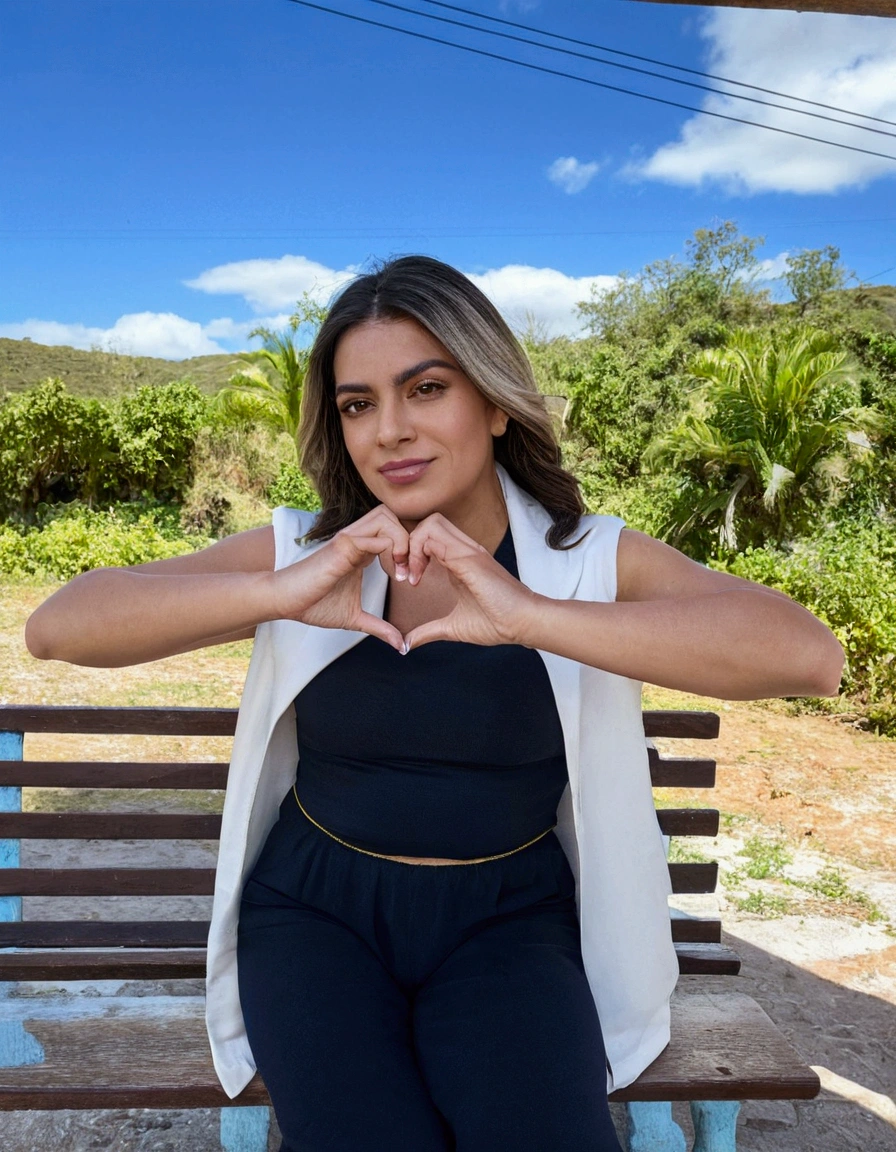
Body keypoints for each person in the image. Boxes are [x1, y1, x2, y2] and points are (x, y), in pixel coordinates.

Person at [25, 255, 844, 1152]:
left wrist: (530, 615)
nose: (389, 432)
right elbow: (60, 628)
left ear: (494, 403)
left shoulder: (586, 559)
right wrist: (283, 592)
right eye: (358, 404)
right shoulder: (306, 548)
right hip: (313, 916)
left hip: (509, 919)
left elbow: (807, 656)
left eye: (425, 388)